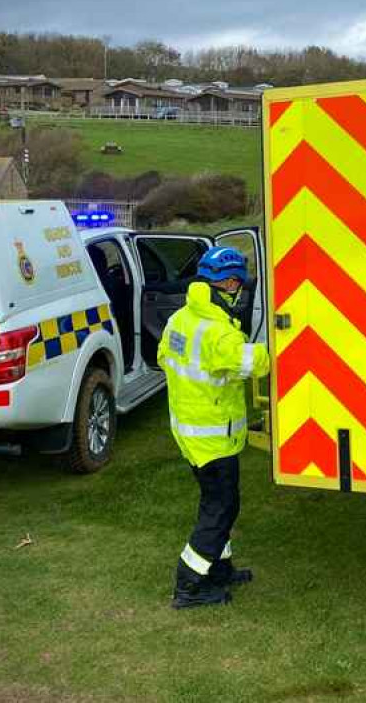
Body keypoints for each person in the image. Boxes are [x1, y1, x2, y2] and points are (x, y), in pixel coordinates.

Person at [158, 246, 270, 608]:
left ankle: (219, 570)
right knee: (220, 509)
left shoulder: (181, 318)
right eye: (237, 283)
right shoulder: (220, 333)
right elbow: (257, 363)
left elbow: (163, 356)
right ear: (231, 284)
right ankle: (188, 585)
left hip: (190, 431)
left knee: (219, 503)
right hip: (213, 437)